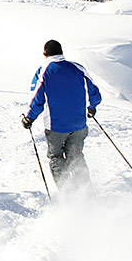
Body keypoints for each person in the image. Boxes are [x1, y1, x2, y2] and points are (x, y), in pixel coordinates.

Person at [21, 39, 101, 191]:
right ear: (61, 52)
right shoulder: (78, 68)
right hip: (79, 124)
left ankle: (67, 193)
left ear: (45, 54)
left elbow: (37, 98)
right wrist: (92, 107)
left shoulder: (43, 71)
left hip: (56, 125)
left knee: (56, 157)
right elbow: (94, 92)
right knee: (76, 156)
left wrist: (29, 118)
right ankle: (86, 191)